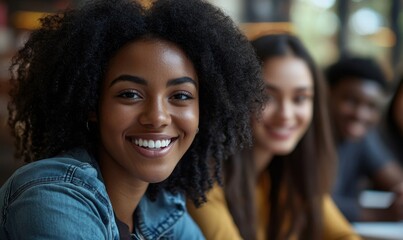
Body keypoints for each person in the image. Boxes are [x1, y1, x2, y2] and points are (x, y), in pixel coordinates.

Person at [0, 0, 266, 239]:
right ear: (93, 104)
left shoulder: (163, 210)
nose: (158, 117)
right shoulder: (52, 196)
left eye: (181, 96)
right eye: (130, 94)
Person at [188, 34, 360, 240]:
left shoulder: (290, 175)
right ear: (237, 98)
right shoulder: (205, 179)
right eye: (267, 97)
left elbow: (344, 236)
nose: (286, 115)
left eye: (300, 98)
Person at [325, 57, 403, 222]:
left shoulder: (362, 137)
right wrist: (383, 214)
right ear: (327, 94)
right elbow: (313, 203)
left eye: (371, 106)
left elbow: (394, 178)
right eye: (350, 101)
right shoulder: (305, 138)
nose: (360, 114)